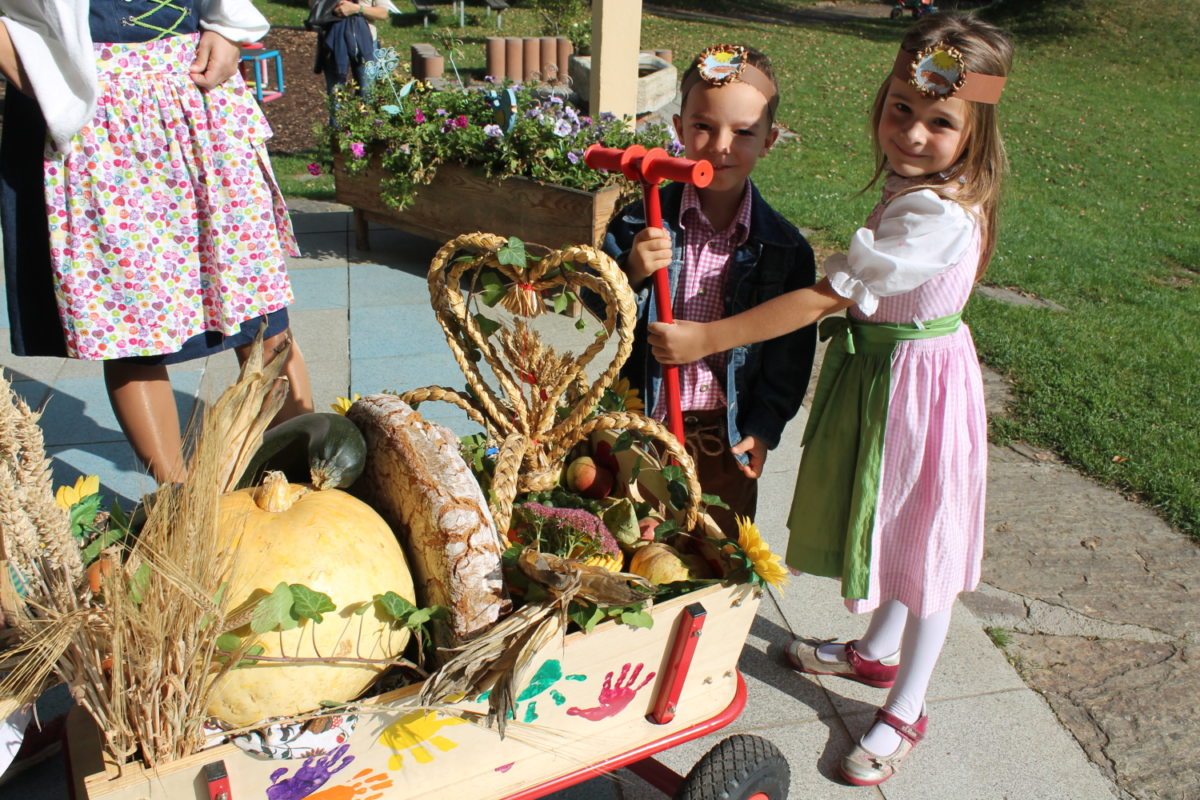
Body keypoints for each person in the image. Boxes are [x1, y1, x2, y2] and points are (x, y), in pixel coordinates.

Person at [648, 15, 1013, 786]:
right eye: (900, 111)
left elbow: (822, 299)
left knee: (925, 547)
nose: (911, 134)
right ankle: (878, 655)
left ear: (975, 132)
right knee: (891, 522)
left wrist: (706, 342)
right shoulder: (920, 187)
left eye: (940, 121)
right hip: (889, 378)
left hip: (921, 390)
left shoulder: (938, 214)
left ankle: (910, 703)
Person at [0, 1, 313, 484]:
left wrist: (229, 34)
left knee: (261, 314)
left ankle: (308, 486)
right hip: (96, 127)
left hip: (199, 101)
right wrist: (47, 83)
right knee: (132, 327)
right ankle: (181, 510)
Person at [602, 44, 817, 535]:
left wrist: (763, 428)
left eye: (744, 133)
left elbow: (789, 357)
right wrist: (631, 269)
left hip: (725, 437)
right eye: (704, 126)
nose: (722, 145)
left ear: (769, 140)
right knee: (635, 548)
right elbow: (595, 310)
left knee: (717, 556)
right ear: (679, 129)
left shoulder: (783, 250)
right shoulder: (639, 222)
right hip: (643, 429)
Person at [311, 0, 399, 95]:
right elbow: (313, 4)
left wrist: (356, 8)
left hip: (366, 43)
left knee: (368, 94)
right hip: (333, 41)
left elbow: (383, 13)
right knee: (335, 96)